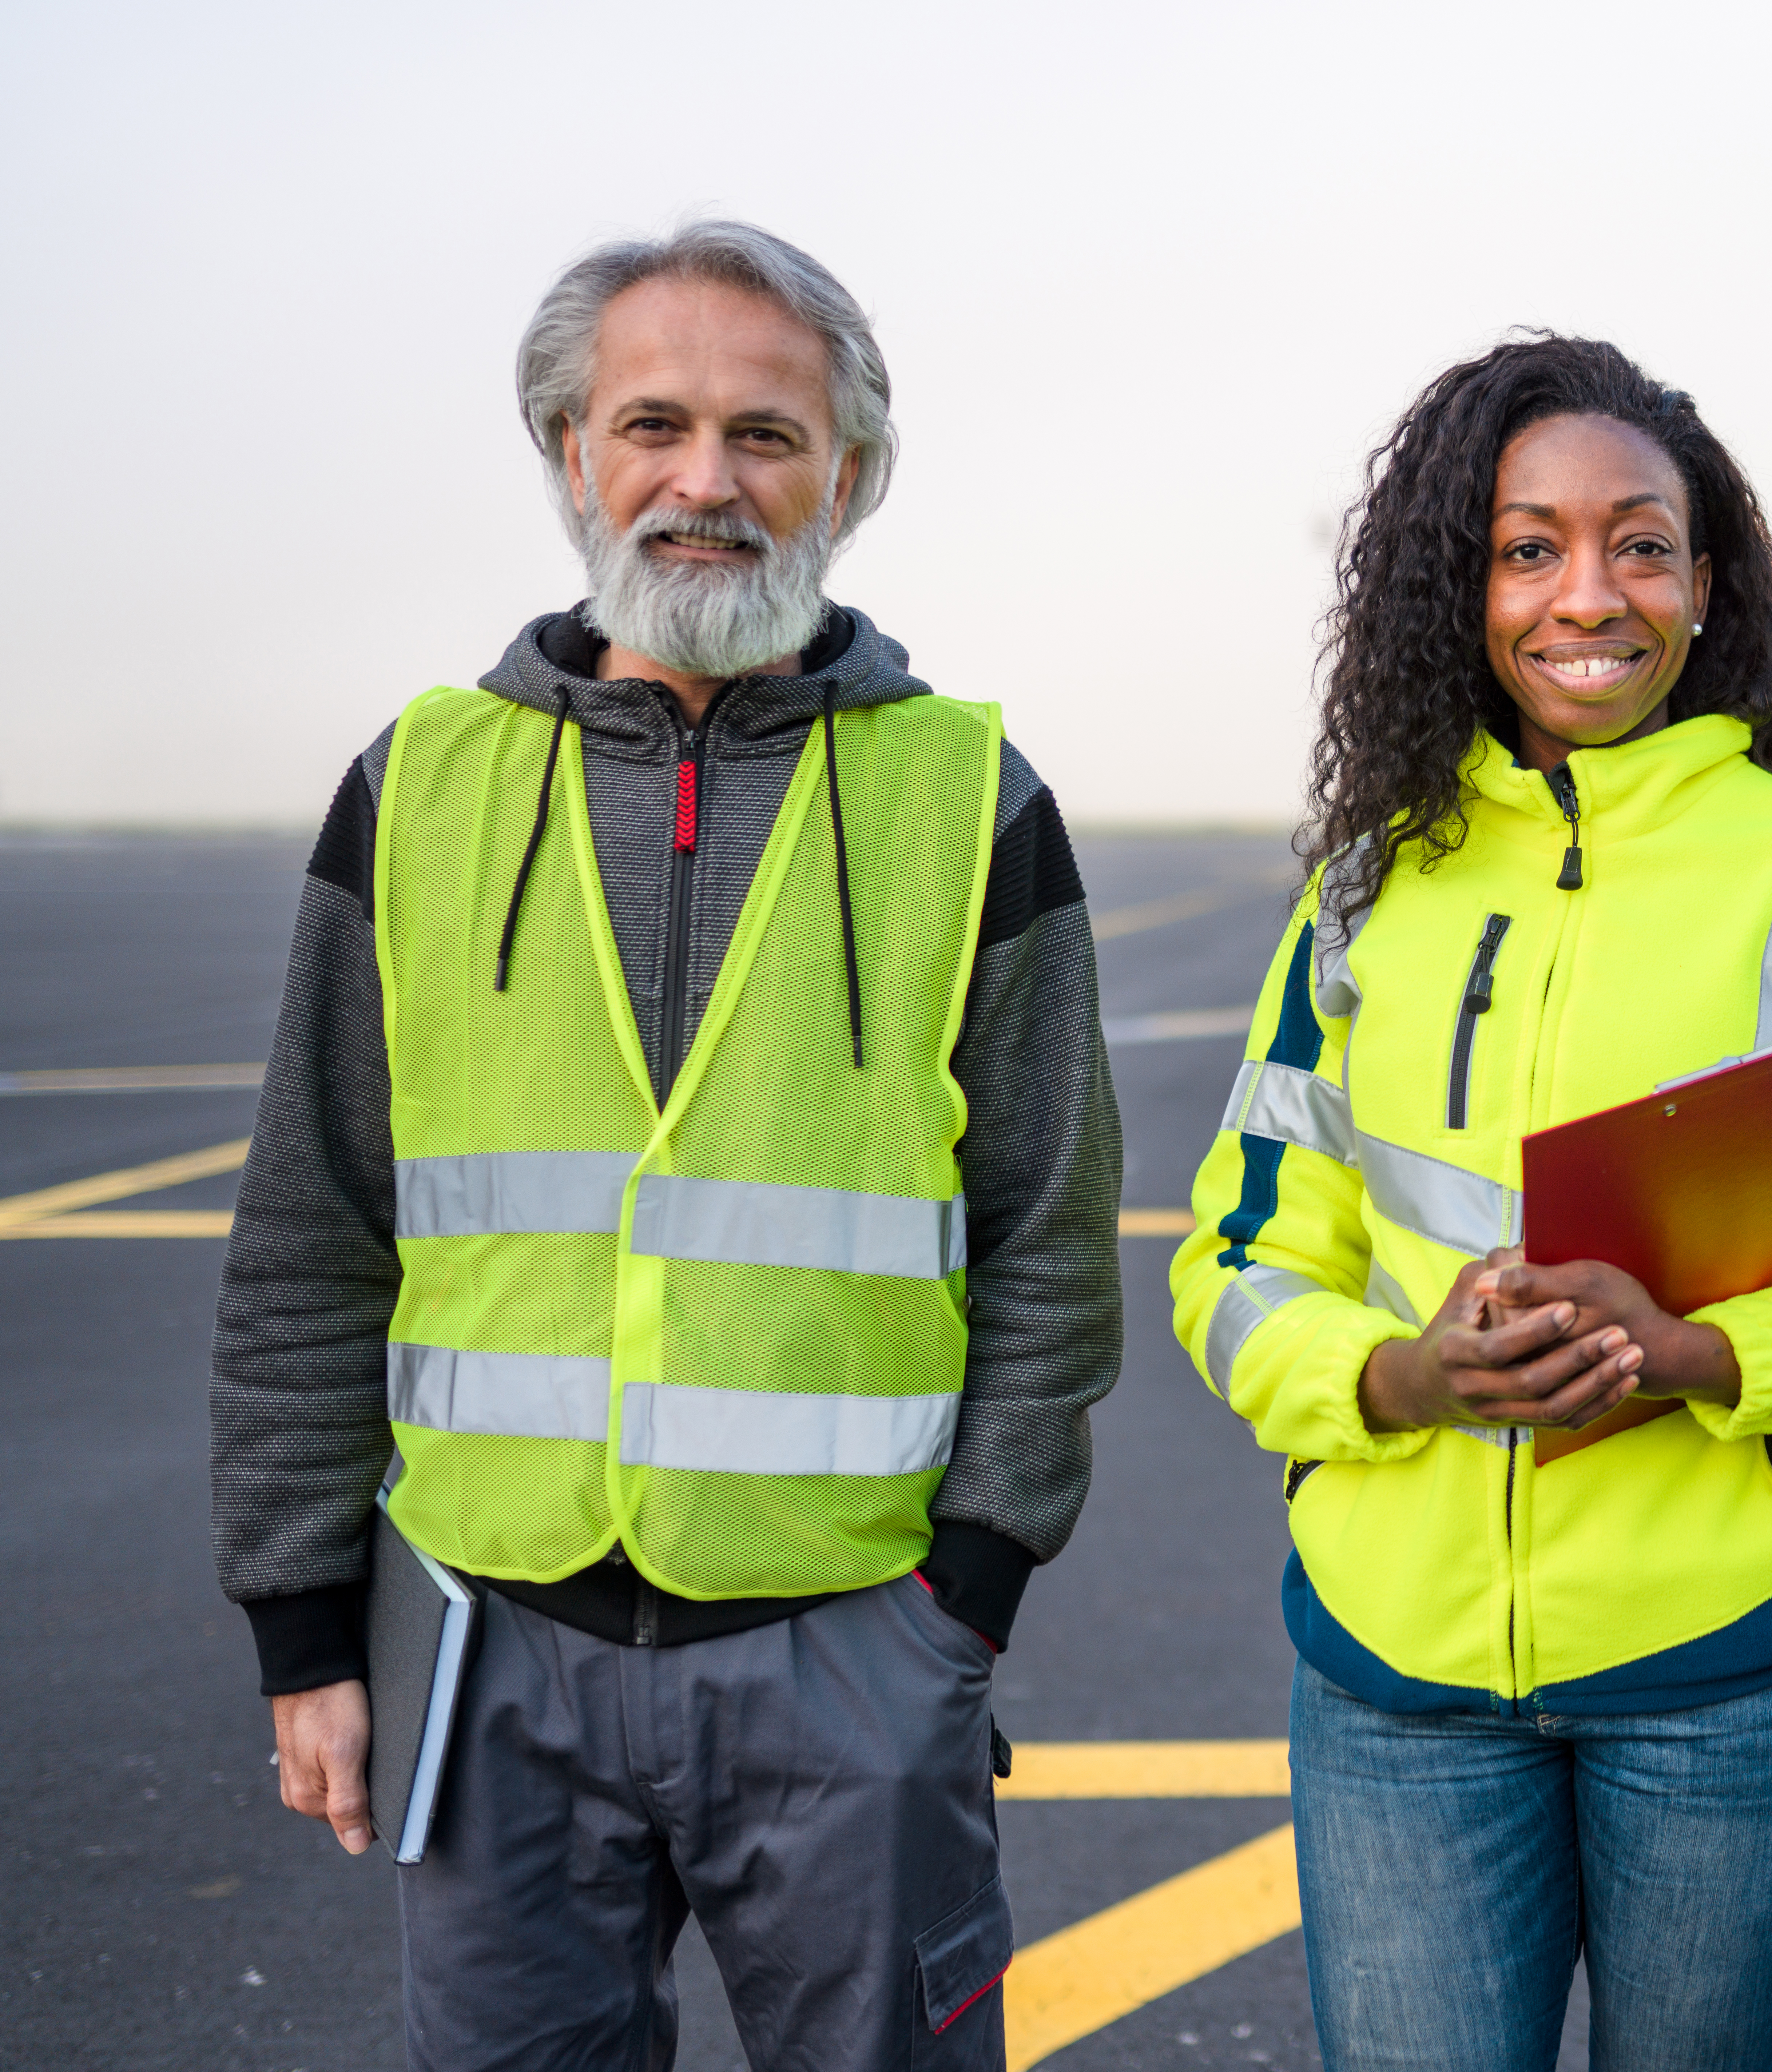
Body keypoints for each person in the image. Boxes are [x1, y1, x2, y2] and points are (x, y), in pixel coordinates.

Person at [208, 221, 1123, 2066]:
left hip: (854, 1654)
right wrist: (306, 1627)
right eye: (654, 424)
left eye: (768, 436)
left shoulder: (970, 799)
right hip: (490, 1659)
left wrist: (964, 1604)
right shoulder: (421, 787)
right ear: (571, 455)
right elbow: (314, 1229)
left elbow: (1049, 1233)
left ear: (848, 475)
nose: (707, 481)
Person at [1168, 335, 1772, 2070]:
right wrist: (1395, 1376)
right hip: (1400, 1683)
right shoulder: (1368, 898)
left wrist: (1719, 1358)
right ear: (1466, 583)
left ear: (1705, 583)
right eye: (1529, 547)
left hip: (1735, 1680)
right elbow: (1230, 1263)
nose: (1589, 592)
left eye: (1640, 542)